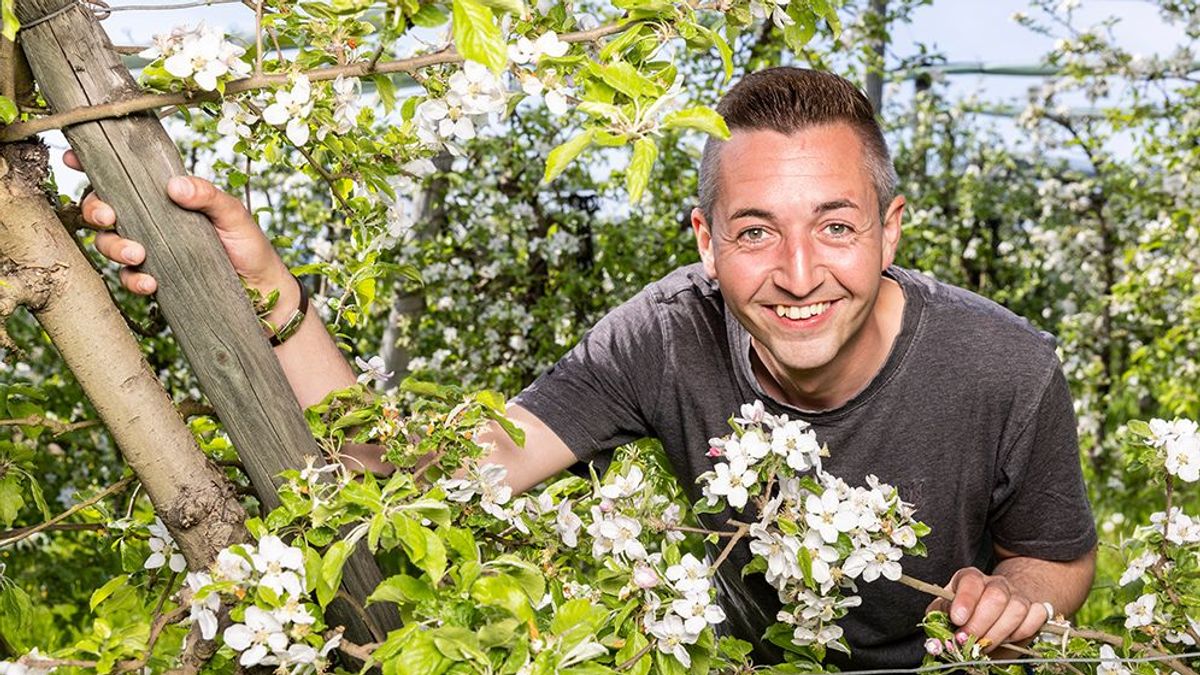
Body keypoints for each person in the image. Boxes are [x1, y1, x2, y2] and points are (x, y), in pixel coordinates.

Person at [72, 66, 1096, 669]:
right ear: (703, 242)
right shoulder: (662, 336)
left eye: (835, 226)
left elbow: (1061, 557)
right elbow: (421, 476)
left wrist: (1017, 595)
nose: (797, 274)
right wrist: (271, 298)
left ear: (890, 230)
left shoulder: (1006, 367)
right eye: (754, 232)